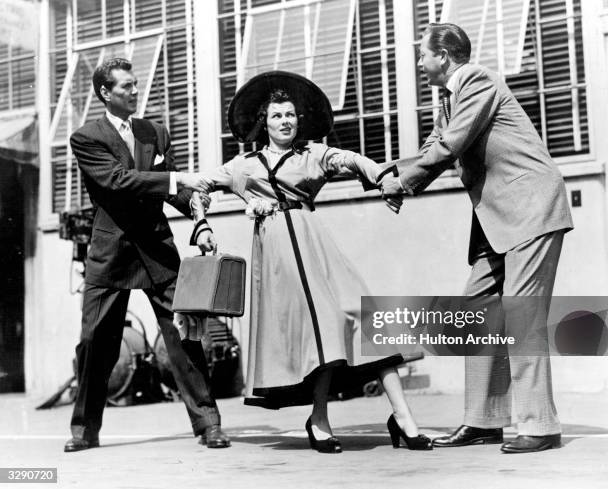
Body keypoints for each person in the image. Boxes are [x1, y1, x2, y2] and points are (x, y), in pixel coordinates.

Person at [179, 71, 432, 453]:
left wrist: (383, 179)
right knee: (320, 333)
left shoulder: (313, 155)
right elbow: (196, 189)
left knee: (364, 319)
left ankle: (403, 418)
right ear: (264, 122)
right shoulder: (243, 166)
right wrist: (200, 227)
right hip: (278, 259)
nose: (285, 121)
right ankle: (320, 420)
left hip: (315, 247)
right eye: (278, 115)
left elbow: (350, 159)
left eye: (291, 115)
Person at [381, 23, 573, 453]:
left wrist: (402, 184)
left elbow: (450, 145)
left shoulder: (478, 80)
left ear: (444, 56)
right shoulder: (449, 98)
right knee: (476, 310)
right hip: (500, 219)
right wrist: (387, 175)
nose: (418, 62)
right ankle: (485, 420)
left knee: (521, 316)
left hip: (530, 208)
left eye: (423, 54)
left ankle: (540, 425)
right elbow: (433, 145)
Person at [65, 57, 230, 452]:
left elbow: (173, 192)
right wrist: (177, 178)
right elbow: (118, 181)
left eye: (136, 84)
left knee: (185, 334)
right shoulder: (86, 137)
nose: (136, 90)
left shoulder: (155, 131)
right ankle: (84, 430)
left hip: (157, 251)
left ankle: (209, 424)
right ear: (106, 93)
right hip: (110, 254)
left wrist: (199, 219)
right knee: (94, 342)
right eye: (126, 86)